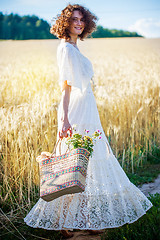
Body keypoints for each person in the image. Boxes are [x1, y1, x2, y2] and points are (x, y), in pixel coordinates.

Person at [24, 3, 153, 239]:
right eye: (74, 19)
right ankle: (65, 225)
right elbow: (65, 88)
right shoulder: (66, 49)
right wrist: (64, 121)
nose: (79, 23)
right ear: (66, 22)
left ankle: (84, 220)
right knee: (72, 167)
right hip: (76, 113)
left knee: (86, 166)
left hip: (87, 110)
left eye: (82, 19)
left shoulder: (74, 47)